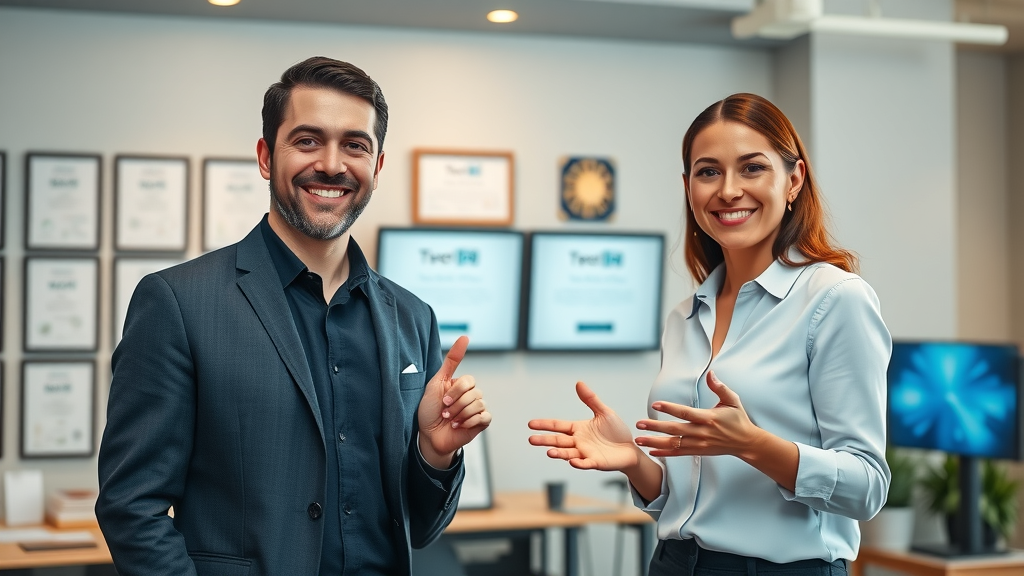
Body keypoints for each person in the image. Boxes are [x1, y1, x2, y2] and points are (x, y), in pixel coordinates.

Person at [96, 56, 491, 576]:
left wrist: (434, 454)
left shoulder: (412, 318)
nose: (332, 164)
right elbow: (131, 506)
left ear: (377, 166)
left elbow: (419, 528)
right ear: (265, 156)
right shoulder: (177, 303)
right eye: (307, 141)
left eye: (355, 145)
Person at [528, 93, 891, 575]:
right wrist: (634, 462)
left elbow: (867, 488)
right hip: (676, 563)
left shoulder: (835, 299)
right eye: (708, 172)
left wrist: (753, 444)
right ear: (688, 187)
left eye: (752, 168)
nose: (728, 190)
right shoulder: (685, 316)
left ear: (794, 180)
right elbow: (693, 502)